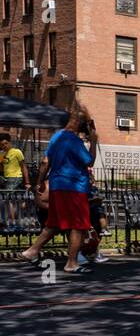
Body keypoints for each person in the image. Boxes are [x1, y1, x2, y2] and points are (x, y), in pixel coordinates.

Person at [19, 106, 98, 274]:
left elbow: (46, 161)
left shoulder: (56, 137)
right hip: (74, 186)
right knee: (78, 225)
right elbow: (89, 161)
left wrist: (40, 182)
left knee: (54, 222)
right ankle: (71, 263)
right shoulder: (74, 141)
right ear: (80, 124)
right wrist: (94, 141)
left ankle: (32, 250)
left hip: (56, 185)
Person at [1, 132, 29, 229]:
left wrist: (27, 182)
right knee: (13, 201)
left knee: (9, 201)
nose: (4, 146)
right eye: (1, 145)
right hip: (6, 179)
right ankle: (17, 218)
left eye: (5, 143)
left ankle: (13, 224)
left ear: (10, 142)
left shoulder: (17, 152)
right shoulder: (3, 155)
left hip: (16, 178)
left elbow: (24, 167)